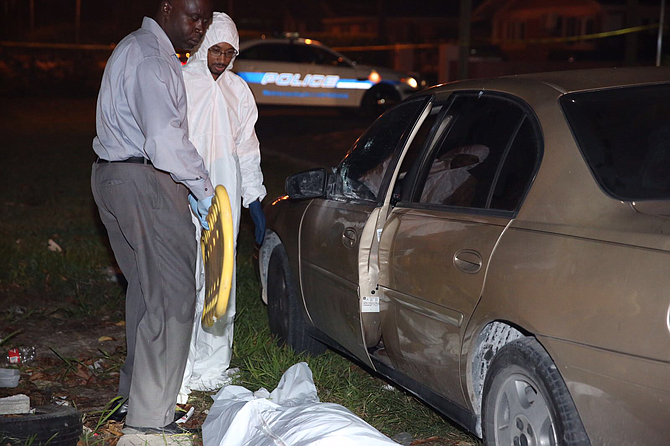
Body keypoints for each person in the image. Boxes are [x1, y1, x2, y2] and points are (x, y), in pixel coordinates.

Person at [90, 0, 214, 435]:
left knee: (146, 293)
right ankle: (150, 424)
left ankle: (133, 402)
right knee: (175, 299)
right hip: (145, 180)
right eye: (192, 17)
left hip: (112, 177)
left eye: (206, 20)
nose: (200, 28)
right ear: (166, 9)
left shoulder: (134, 46)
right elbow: (164, 138)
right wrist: (202, 186)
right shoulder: (152, 57)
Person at [178, 12, 266, 401]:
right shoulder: (181, 81)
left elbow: (247, 147)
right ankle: (178, 367)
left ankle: (211, 367)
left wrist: (255, 198)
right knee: (186, 276)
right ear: (202, 47)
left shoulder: (238, 90)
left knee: (220, 277)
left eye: (230, 52)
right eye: (216, 49)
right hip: (184, 187)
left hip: (226, 190)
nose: (222, 58)